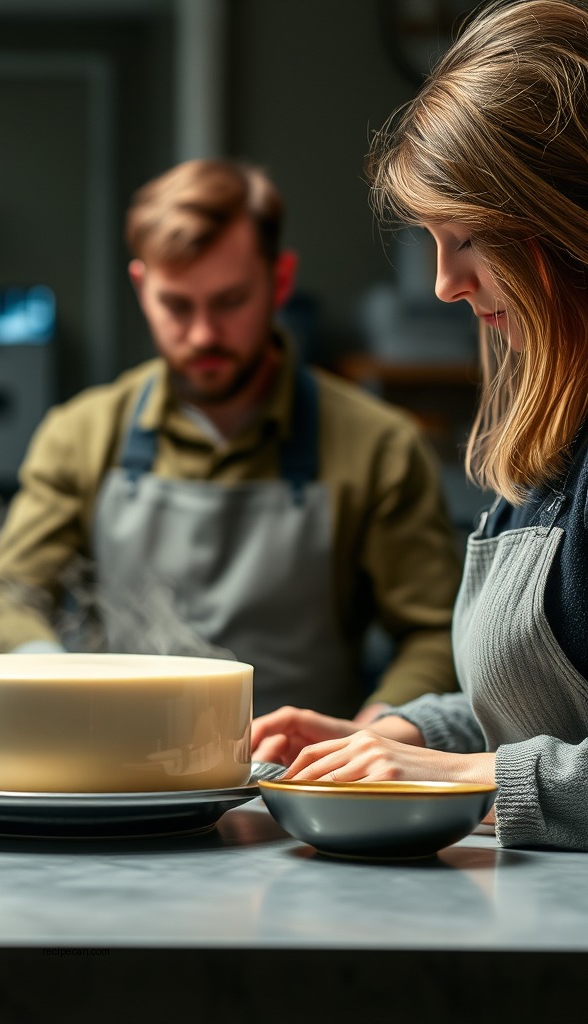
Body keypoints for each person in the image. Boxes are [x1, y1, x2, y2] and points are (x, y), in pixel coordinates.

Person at [250, 0, 588, 851]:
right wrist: (398, 738)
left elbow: (514, 762)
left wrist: (471, 779)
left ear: (562, 219)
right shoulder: (555, 451)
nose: (444, 284)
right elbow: (531, 714)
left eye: (467, 238)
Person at [0, 157, 462, 720]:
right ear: (141, 286)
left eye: (229, 302)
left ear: (280, 281)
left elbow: (434, 632)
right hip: (125, 776)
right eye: (177, 305)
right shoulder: (82, 434)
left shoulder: (379, 447)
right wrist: (48, 670)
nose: (202, 334)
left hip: (300, 783)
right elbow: (5, 593)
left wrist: (383, 726)